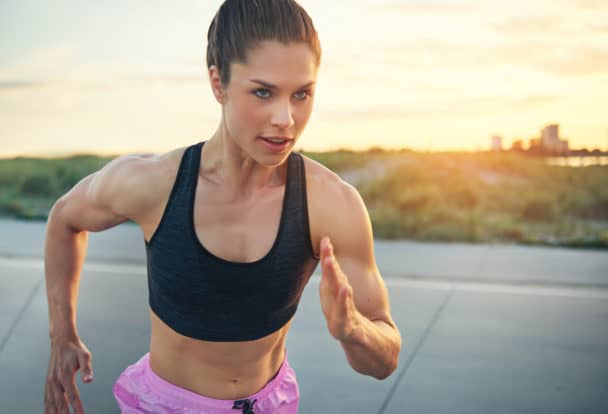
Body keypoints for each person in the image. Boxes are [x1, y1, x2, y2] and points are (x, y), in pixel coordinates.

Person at [43, 0, 402, 413]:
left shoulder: (332, 203)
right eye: (263, 92)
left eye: (301, 94)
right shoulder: (153, 183)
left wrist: (352, 329)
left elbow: (384, 359)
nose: (286, 118)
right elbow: (65, 219)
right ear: (219, 84)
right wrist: (62, 333)